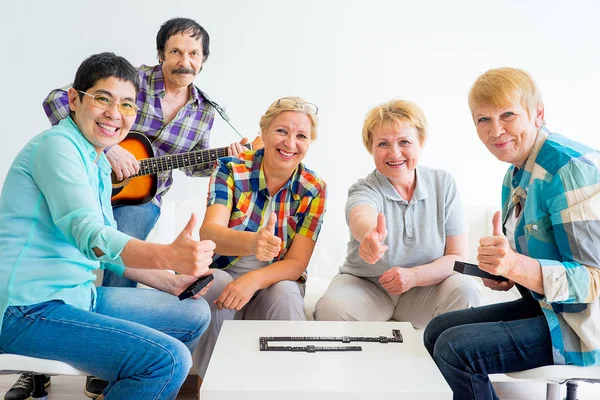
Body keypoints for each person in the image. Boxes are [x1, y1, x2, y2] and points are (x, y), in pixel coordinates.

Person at [36, 17, 245, 398]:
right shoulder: (129, 82)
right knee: (82, 237)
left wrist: (222, 158)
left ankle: (112, 360)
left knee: (129, 224)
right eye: (176, 51)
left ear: (204, 60)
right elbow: (54, 100)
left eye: (194, 54)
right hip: (88, 184)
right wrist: (111, 149)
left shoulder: (204, 111)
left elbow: (194, 164)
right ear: (161, 54)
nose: (185, 60)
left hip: (143, 197)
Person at [0, 52, 215, 400]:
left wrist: (171, 280)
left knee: (192, 313)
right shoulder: (57, 146)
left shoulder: (98, 160)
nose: (115, 114)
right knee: (168, 361)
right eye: (103, 99)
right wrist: (167, 255)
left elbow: (105, 254)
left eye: (127, 105)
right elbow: (90, 234)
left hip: (77, 296)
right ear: (74, 99)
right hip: (27, 309)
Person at [424, 67, 600, 400]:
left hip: (584, 323)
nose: (496, 130)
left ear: (538, 114)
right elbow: (537, 263)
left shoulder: (569, 169)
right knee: (437, 331)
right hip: (549, 308)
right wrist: (505, 273)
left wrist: (515, 267)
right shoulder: (515, 175)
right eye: (483, 120)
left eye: (507, 115)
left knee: (455, 349)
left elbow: (593, 280)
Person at [313, 100, 482, 327]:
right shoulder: (364, 188)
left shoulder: (443, 183)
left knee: (468, 290)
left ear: (420, 143)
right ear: (371, 148)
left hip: (425, 289)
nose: (394, 153)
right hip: (368, 287)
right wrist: (369, 234)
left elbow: (457, 257)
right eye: (383, 144)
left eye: (404, 142)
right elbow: (360, 214)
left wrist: (414, 277)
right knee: (330, 310)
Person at [194, 96, 327, 378]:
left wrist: (252, 280)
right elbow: (209, 233)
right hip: (226, 273)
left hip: (272, 281)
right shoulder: (230, 169)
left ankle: (287, 387)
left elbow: (297, 263)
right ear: (264, 132)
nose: (290, 143)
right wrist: (253, 243)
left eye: (301, 135)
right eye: (281, 131)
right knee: (212, 283)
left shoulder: (313, 188)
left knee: (288, 292)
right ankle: (215, 388)